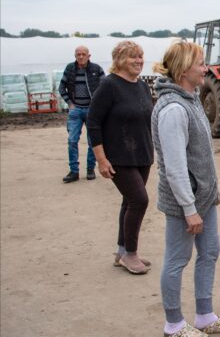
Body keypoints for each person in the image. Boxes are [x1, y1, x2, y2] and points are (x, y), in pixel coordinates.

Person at [152, 40, 220, 336]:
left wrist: (211, 190)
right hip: (184, 202)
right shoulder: (173, 110)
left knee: (210, 252)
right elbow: (175, 168)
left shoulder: (191, 98)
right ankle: (174, 325)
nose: (206, 68)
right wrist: (189, 209)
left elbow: (201, 155)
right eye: (200, 63)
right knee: (177, 260)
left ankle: (204, 316)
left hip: (203, 197)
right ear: (181, 70)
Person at [87, 41, 154, 275]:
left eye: (140, 56)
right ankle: (130, 254)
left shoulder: (143, 87)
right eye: (131, 57)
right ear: (119, 60)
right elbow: (93, 122)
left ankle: (122, 251)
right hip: (118, 156)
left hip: (142, 155)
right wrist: (101, 159)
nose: (138, 61)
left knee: (129, 202)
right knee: (139, 200)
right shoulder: (109, 86)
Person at [58, 46, 105, 183]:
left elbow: (105, 87)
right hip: (75, 110)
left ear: (89, 55)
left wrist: (98, 105)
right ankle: (74, 171)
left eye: (83, 54)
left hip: (92, 110)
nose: (80, 57)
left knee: (92, 141)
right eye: (78, 54)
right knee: (72, 140)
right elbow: (62, 87)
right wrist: (70, 103)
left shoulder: (96, 69)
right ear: (75, 55)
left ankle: (90, 169)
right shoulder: (70, 69)